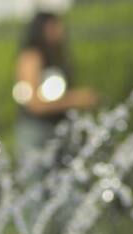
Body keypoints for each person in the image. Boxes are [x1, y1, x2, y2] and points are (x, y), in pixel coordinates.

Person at [12, 11, 98, 158]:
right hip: (37, 131)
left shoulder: (57, 56)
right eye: (55, 26)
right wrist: (74, 100)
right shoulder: (31, 58)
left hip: (59, 128)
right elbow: (35, 104)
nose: (61, 30)